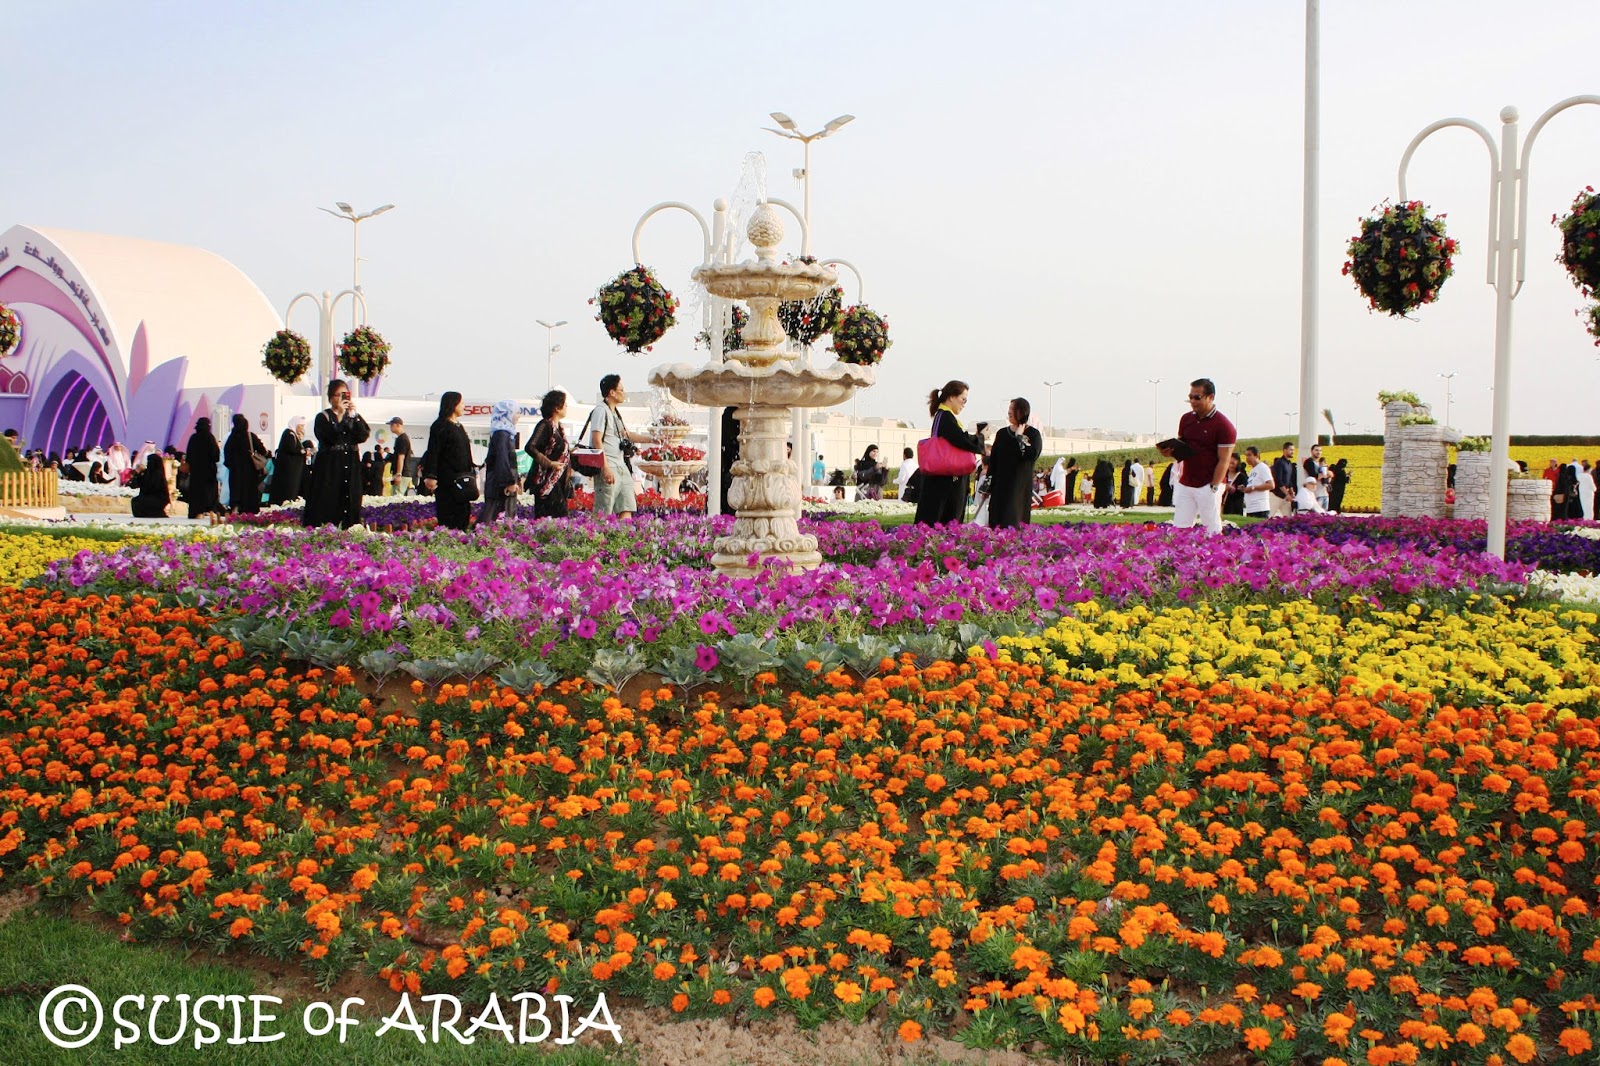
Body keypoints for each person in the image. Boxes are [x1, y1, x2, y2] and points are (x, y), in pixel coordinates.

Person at [913, 380, 987, 525]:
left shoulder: (943, 416)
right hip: (946, 482)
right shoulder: (946, 417)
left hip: (942, 480)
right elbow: (961, 439)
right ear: (952, 397)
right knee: (945, 523)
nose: (964, 404)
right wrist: (980, 437)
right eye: (963, 399)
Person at [1171, 378, 1237, 534]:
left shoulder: (1224, 425)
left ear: (1210, 397)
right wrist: (1170, 451)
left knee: (1212, 530)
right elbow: (1182, 448)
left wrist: (1213, 486)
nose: (1193, 401)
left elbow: (1224, 459)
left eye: (1197, 397)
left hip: (1208, 484)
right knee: (1180, 528)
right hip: (1186, 482)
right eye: (1190, 397)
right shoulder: (1186, 419)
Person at [303, 378, 371, 528]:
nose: (342, 398)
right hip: (331, 467)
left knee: (350, 498)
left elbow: (363, 435)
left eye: (345, 394)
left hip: (350, 464)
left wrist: (353, 416)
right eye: (338, 395)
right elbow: (330, 437)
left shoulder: (352, 416)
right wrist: (340, 416)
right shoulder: (323, 417)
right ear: (331, 397)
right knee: (329, 499)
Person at [589, 374, 651, 519]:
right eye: (621, 390)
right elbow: (596, 440)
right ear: (612, 392)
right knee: (605, 508)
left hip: (621, 466)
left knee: (626, 504)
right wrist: (605, 467)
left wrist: (652, 439)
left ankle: (624, 532)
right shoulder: (601, 411)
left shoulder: (615, 413)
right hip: (609, 464)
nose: (624, 393)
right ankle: (600, 532)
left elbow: (627, 434)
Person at [421, 391, 476, 530]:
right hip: (447, 478)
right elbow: (433, 451)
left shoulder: (459, 426)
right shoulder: (440, 425)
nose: (463, 406)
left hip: (462, 478)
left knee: (463, 513)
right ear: (453, 404)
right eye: (461, 403)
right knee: (449, 513)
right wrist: (431, 475)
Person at [987, 397, 1044, 529]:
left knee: (1013, 522)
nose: (1009, 412)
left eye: (1012, 409)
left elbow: (1031, 455)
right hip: (1000, 487)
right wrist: (987, 486)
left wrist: (1020, 437)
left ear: (1022, 411)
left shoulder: (1033, 434)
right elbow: (993, 461)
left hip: (1018, 488)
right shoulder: (1002, 434)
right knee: (996, 522)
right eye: (1009, 409)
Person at [526, 389, 573, 519]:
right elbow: (530, 447)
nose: (566, 407)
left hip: (559, 481)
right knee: (548, 518)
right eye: (565, 404)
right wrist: (550, 463)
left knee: (560, 518)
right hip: (546, 481)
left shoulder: (559, 428)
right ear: (557, 407)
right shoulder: (545, 425)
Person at [478, 401, 521, 524]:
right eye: (517, 412)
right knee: (496, 518)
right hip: (500, 486)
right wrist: (509, 482)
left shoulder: (505, 434)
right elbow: (502, 459)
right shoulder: (502, 434)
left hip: (500, 483)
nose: (518, 416)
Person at [223, 413, 269, 514]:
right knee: (249, 490)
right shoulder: (250, 436)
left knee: (236, 488)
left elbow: (227, 454)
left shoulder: (231, 438)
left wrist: (231, 466)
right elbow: (262, 450)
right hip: (250, 469)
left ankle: (236, 507)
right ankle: (249, 510)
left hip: (235, 470)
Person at [269, 417, 307, 505]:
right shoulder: (289, 434)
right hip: (287, 470)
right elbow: (292, 448)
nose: (302, 428)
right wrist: (303, 451)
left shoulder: (294, 435)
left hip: (292, 470)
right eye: (301, 426)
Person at [129, 452, 171, 518]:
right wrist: (138, 474)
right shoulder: (147, 472)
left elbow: (150, 487)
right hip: (149, 496)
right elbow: (135, 485)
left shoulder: (158, 474)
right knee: (135, 501)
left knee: (141, 501)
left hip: (158, 498)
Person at [1241, 446, 1275, 518]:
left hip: (1260, 508)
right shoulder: (1252, 470)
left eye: (1249, 455)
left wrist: (1253, 488)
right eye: (1246, 455)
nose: (1247, 458)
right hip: (1251, 508)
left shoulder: (1262, 467)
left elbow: (1271, 485)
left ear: (1256, 455)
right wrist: (1245, 488)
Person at [1270, 442, 1298, 518]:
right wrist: (1287, 494)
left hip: (1285, 496)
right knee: (1269, 516)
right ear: (1285, 450)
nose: (1293, 452)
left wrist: (1291, 492)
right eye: (1291, 450)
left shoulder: (1289, 463)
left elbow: (1289, 480)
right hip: (1276, 495)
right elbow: (1278, 480)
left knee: (1289, 518)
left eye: (1293, 450)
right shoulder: (1279, 462)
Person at [387, 417, 413, 496]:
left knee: (396, 497)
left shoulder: (402, 439)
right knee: (394, 495)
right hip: (402, 473)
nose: (390, 427)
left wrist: (398, 474)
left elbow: (401, 458)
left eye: (392, 425)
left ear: (398, 425)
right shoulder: (401, 438)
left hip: (402, 473)